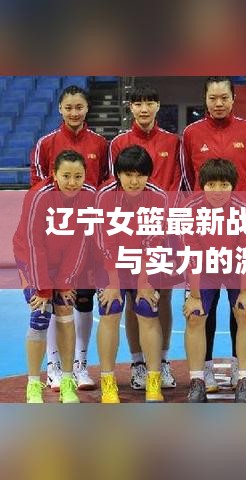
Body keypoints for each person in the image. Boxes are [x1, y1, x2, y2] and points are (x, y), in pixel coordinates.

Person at [180, 77, 246, 393]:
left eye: (224, 97)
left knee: (243, 308)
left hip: (239, 227)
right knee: (202, 309)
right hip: (204, 229)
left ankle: (241, 369)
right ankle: (205, 370)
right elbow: (188, 176)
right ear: (205, 99)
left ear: (233, 98)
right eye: (212, 98)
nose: (218, 103)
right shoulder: (191, 133)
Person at [30, 84, 108, 392]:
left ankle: (80, 364)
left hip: (86, 235)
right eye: (69, 107)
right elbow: (38, 188)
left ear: (87, 108)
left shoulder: (100, 144)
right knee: (54, 300)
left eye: (79, 107)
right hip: (55, 235)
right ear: (60, 109)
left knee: (83, 300)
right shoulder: (46, 143)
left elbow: (105, 186)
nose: (74, 112)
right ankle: (53, 366)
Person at [109, 84, 181, 391]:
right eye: (138, 103)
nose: (144, 108)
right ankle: (138, 363)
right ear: (131, 107)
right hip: (126, 229)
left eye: (149, 102)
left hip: (163, 229)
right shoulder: (118, 143)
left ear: (158, 106)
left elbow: (178, 182)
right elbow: (113, 184)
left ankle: (161, 361)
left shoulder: (173, 142)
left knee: (162, 296)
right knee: (131, 297)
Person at [14, 150, 96, 403]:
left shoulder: (89, 197)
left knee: (65, 311)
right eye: (66, 176)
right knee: (40, 315)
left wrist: (65, 281)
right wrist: (43, 289)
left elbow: (81, 243)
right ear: (54, 175)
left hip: (64, 262)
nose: (72, 182)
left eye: (78, 176)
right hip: (32, 260)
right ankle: (33, 385)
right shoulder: (39, 196)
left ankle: (68, 380)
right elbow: (33, 244)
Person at [95, 145, 167, 403]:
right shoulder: (104, 196)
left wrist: (144, 280)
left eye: (140, 175)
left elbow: (154, 241)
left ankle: (153, 382)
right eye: (128, 175)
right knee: (110, 309)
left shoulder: (158, 197)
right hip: (109, 261)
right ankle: (108, 382)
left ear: (148, 175)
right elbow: (104, 243)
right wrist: (114, 282)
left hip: (144, 260)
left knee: (148, 310)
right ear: (118, 174)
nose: (134, 181)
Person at [182, 158, 246, 403]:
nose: (217, 191)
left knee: (245, 313)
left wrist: (245, 292)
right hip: (204, 268)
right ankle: (197, 381)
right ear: (202, 185)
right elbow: (192, 255)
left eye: (224, 185)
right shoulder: (190, 210)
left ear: (233, 186)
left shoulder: (243, 211)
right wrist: (194, 297)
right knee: (195, 316)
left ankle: (243, 381)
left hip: (236, 268)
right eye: (211, 184)